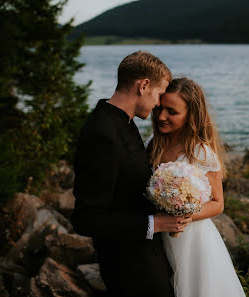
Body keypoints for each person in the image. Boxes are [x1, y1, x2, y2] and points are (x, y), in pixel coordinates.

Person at [71, 51, 192, 297]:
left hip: (146, 257)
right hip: (129, 267)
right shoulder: (102, 133)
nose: (159, 104)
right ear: (144, 85)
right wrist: (154, 223)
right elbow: (86, 219)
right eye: (159, 94)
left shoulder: (123, 121)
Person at [145, 77, 246, 297]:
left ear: (191, 115)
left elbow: (218, 204)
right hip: (156, 234)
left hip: (193, 240)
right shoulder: (152, 143)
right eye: (160, 108)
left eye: (172, 112)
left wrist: (185, 215)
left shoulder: (201, 153)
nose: (162, 116)